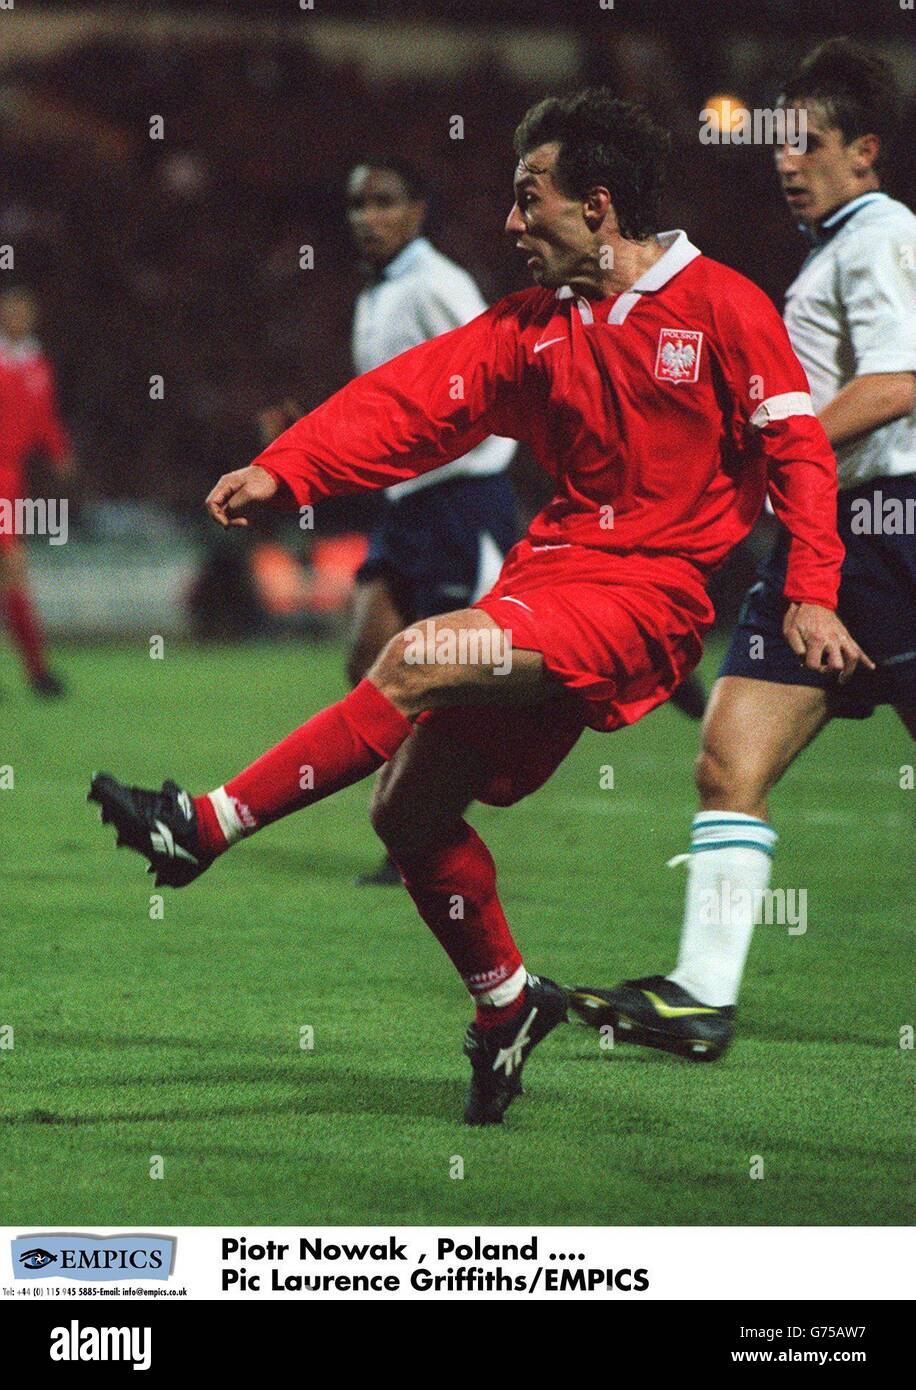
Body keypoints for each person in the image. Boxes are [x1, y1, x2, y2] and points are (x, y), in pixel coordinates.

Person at [90, 88, 867, 1126]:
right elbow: (409, 402)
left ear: (595, 207)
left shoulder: (724, 306)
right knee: (405, 810)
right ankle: (505, 1004)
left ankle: (204, 826)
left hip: (650, 598)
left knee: (412, 653)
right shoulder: (532, 326)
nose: (509, 224)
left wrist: (812, 589)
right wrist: (289, 469)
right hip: (546, 582)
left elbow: (799, 453)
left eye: (525, 200)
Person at [570, 40, 913, 1061]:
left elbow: (899, 383)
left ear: (865, 152)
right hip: (829, 531)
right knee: (727, 761)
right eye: (776, 138)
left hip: (892, 529)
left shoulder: (881, 232)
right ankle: (699, 997)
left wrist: (769, 444)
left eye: (807, 140)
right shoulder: (834, 245)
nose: (782, 156)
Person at [0, 288, 75, 697]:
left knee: (12, 573)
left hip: (11, 478)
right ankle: (39, 674)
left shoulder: (36, 363)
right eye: (10, 312)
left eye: (22, 313)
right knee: (13, 569)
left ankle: (38, 673)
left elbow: (45, 418)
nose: (16, 319)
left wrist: (59, 452)